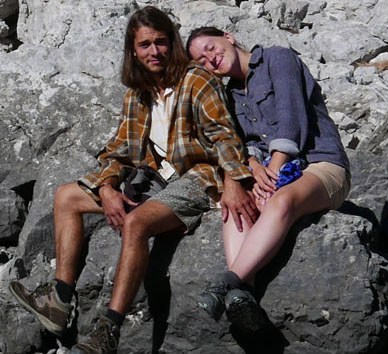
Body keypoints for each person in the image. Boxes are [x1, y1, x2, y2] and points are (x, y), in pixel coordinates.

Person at [9, 9, 255, 354]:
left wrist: (234, 181)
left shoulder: (197, 79)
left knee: (136, 223)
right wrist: (107, 188)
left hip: (198, 178)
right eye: (145, 45)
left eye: (161, 42)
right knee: (66, 196)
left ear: (172, 44)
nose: (154, 51)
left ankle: (108, 331)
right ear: (133, 50)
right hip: (156, 180)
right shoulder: (137, 94)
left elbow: (225, 136)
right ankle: (59, 300)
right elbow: (118, 151)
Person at [187, 27, 351, 331]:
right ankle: (241, 298)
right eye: (202, 61)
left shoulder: (278, 58)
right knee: (233, 204)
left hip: (320, 164)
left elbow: (292, 121)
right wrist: (250, 165)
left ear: (229, 37)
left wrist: (272, 175)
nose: (211, 60)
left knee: (281, 201)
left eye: (211, 48)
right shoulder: (228, 94)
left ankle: (226, 283)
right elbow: (236, 143)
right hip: (269, 170)